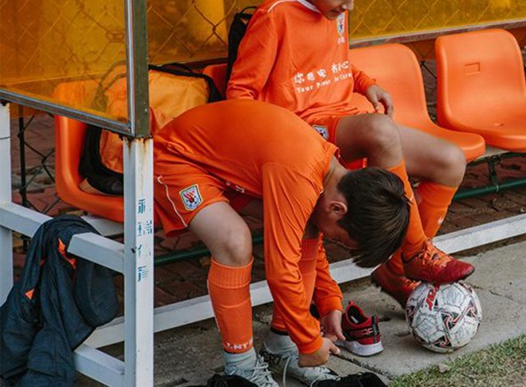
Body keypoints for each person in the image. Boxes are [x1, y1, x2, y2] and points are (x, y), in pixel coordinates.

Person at [226, 0, 474, 308]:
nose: (348, 6)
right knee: (381, 131)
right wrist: (277, 137)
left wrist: (366, 83)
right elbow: (239, 94)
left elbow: (334, 65)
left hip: (346, 119)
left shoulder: (333, 9)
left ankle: (393, 268)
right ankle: (415, 251)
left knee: (449, 161)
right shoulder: (275, 15)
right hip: (303, 132)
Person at [153, 100, 410, 387]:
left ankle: (281, 344)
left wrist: (327, 301)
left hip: (223, 172)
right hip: (176, 157)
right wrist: (310, 342)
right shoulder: (300, 174)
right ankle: (240, 366)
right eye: (341, 238)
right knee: (234, 241)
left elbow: (310, 244)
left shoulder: (329, 177)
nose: (333, 240)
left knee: (307, 229)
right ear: (339, 209)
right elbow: (281, 270)